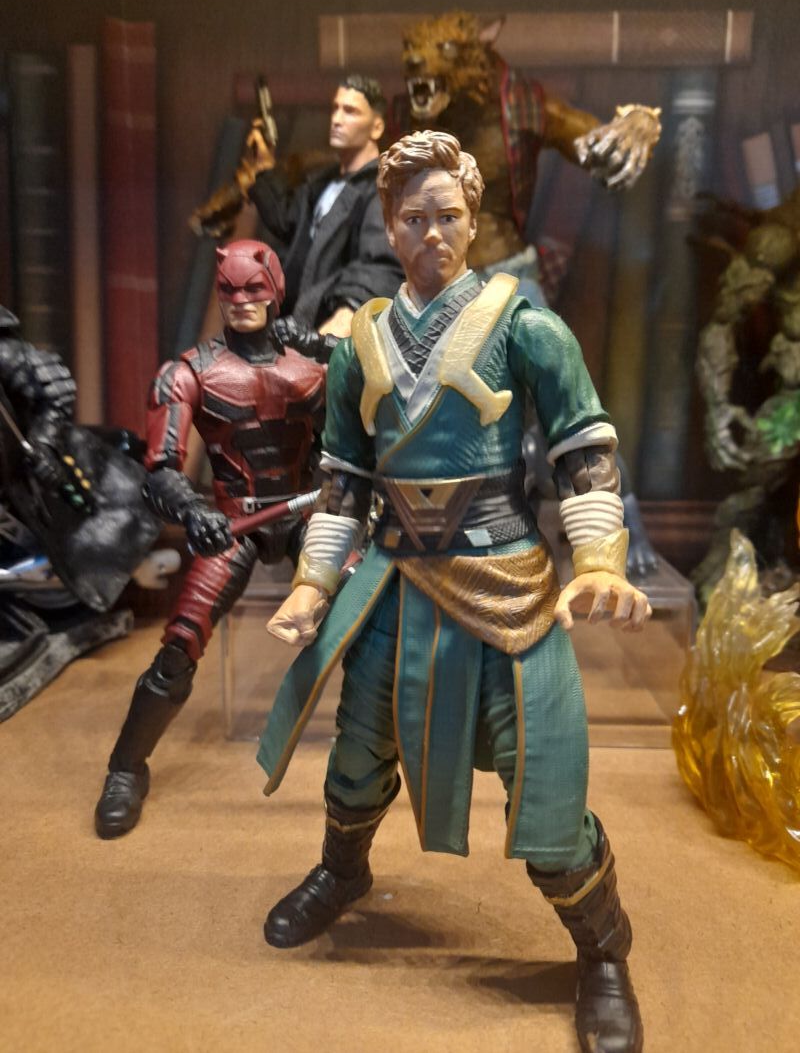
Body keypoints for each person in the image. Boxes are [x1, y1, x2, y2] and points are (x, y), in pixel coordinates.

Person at [258, 132, 651, 1053]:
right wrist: (313, 583)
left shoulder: (527, 326)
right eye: (412, 217)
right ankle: (343, 871)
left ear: (474, 221)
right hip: (393, 586)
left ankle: (602, 947)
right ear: (388, 226)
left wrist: (598, 560)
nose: (430, 232)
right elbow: (344, 478)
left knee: (545, 789)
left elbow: (584, 448)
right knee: (356, 755)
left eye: (447, 215)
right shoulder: (358, 341)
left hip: (505, 588)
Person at [93, 239, 326, 839]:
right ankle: (125, 768)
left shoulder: (314, 366)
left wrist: (337, 353)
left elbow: (361, 435)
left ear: (275, 291)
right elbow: (161, 468)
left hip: (308, 516)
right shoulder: (188, 372)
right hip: (230, 522)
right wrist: (193, 512)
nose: (241, 300)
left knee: (374, 620)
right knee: (180, 643)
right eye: (230, 290)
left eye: (254, 288)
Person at [239, 74, 404, 336]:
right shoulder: (323, 183)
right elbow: (289, 221)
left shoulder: (380, 187)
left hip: (336, 327)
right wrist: (264, 170)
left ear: (376, 127)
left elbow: (380, 264)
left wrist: (348, 311)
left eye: (350, 111)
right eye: (335, 108)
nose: (337, 119)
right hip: (297, 321)